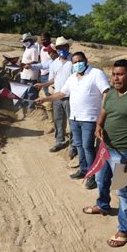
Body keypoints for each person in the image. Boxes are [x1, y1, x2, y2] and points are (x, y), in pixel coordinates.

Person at [83, 59, 127, 247]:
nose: (116, 78)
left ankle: (125, 228)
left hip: (123, 153)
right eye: (113, 74)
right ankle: (103, 205)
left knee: (122, 190)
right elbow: (103, 114)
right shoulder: (111, 94)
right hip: (105, 148)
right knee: (100, 180)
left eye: (120, 74)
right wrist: (98, 126)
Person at [37, 52, 110, 189]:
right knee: (79, 145)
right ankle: (83, 170)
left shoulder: (96, 73)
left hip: (90, 118)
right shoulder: (72, 78)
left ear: (86, 60)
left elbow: (106, 92)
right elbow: (62, 93)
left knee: (88, 147)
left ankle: (92, 175)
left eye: (80, 61)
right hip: (75, 118)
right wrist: (45, 99)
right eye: (75, 62)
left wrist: (103, 113)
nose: (77, 64)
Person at [35, 37, 77, 156]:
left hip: (71, 97)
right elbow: (54, 79)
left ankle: (73, 145)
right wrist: (44, 84)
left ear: (68, 47)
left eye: (64, 46)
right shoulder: (54, 63)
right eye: (59, 47)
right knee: (58, 120)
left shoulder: (74, 60)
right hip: (57, 95)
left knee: (72, 121)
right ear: (56, 49)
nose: (62, 49)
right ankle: (60, 140)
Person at [19, 32, 40, 113]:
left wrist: (26, 64)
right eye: (24, 41)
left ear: (31, 40)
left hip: (31, 73)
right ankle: (22, 105)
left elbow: (35, 61)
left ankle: (30, 107)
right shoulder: (27, 49)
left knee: (31, 91)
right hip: (24, 73)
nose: (25, 42)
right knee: (22, 90)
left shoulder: (34, 49)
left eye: (26, 40)